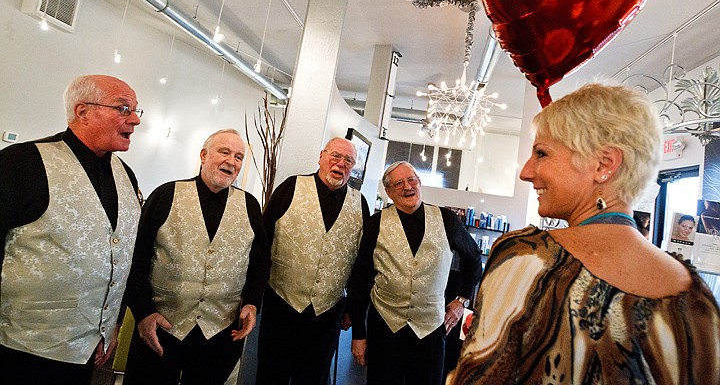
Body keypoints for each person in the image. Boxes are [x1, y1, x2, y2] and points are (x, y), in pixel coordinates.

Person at [448, 83, 720, 384]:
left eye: (541, 153)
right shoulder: (700, 300)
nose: (526, 171)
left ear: (603, 165)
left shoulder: (526, 259)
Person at [0, 74, 143, 385]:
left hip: (90, 350)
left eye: (135, 110)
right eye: (123, 109)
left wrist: (112, 324)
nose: (135, 120)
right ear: (83, 112)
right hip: (22, 347)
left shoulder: (126, 176)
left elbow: (121, 251)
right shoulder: (21, 163)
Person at [123, 129, 270, 385]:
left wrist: (251, 303)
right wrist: (143, 312)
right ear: (203, 155)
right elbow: (136, 258)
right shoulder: (165, 195)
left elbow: (260, 262)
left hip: (220, 331)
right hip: (161, 327)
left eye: (238, 157)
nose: (232, 161)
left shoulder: (250, 206)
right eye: (224, 152)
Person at [347, 161, 482, 385]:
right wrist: (359, 334)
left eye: (411, 180)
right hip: (385, 327)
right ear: (389, 192)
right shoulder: (374, 224)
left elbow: (474, 258)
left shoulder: (447, 220)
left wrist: (461, 301)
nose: (407, 186)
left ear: (419, 183)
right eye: (398, 183)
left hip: (430, 330)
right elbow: (360, 280)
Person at [256, 137, 370, 385]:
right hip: (281, 304)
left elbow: (362, 263)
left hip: (327, 314)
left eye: (348, 160)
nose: (340, 164)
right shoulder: (290, 187)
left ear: (353, 167)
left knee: (312, 378)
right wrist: (253, 295)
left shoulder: (360, 203)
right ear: (321, 157)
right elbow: (262, 243)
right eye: (335, 156)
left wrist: (353, 308)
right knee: (270, 375)